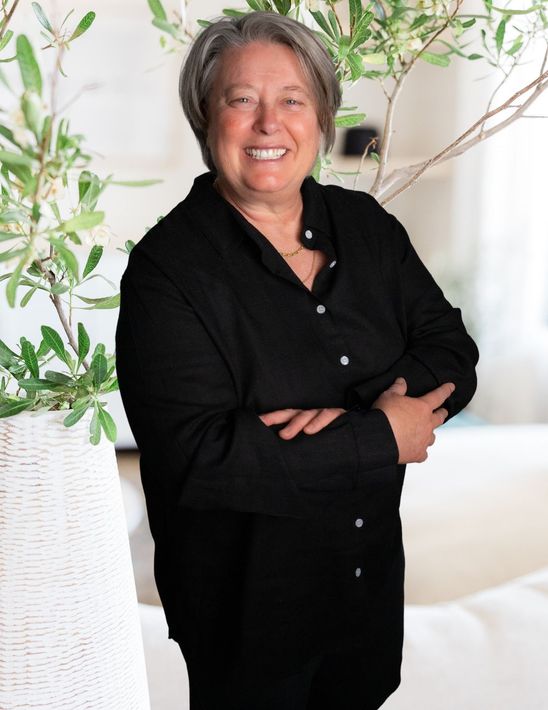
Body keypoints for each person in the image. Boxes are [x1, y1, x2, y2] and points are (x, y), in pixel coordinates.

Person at [115, 11, 479, 710]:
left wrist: (352, 419)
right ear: (206, 117)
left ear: (321, 117)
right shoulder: (167, 271)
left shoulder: (368, 229)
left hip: (364, 591)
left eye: (291, 100)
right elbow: (201, 457)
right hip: (249, 618)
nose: (268, 124)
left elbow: (451, 350)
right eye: (241, 100)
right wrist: (380, 434)